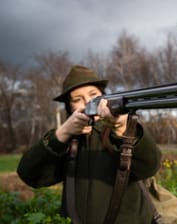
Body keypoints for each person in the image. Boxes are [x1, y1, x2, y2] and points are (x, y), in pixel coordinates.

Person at [17, 65, 162, 224]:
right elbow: (30, 175)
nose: (87, 103)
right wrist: (63, 132)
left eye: (93, 95)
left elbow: (150, 166)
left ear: (103, 99)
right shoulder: (66, 141)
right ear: (70, 107)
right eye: (77, 99)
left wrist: (122, 128)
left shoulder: (120, 131)